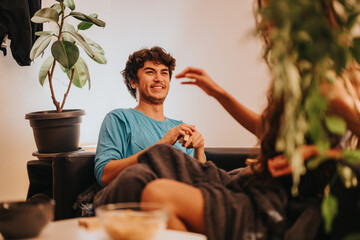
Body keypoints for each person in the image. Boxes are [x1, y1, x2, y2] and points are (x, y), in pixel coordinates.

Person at [133, 1, 360, 240]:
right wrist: (218, 93)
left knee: (158, 195)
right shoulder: (298, 72)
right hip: (259, 187)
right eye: (263, 12)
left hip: (279, 206)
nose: (263, 22)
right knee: (153, 175)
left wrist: (315, 153)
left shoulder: (328, 83)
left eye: (272, 12)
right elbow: (267, 130)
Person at [93, 46, 206, 206]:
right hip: (142, 203)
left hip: (181, 204)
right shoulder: (119, 118)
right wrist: (163, 144)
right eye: (150, 72)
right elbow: (105, 176)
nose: (159, 78)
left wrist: (199, 149)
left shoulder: (181, 128)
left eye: (164, 72)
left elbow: (201, 186)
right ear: (133, 81)